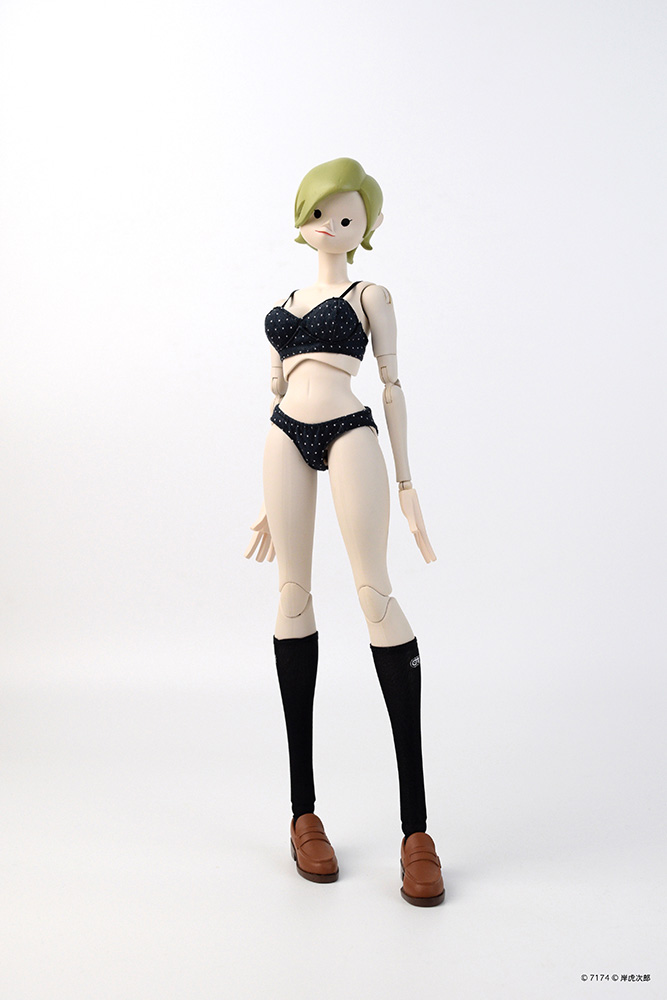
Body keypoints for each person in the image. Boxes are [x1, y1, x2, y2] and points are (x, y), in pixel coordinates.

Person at [245, 157, 445, 906]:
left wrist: (406, 483)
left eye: (347, 216)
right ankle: (303, 813)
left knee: (374, 597)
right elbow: (277, 386)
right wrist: (267, 501)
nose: (330, 224)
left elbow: (392, 386)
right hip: (282, 439)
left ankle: (416, 830)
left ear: (366, 227)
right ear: (302, 217)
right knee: (291, 597)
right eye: (319, 211)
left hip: (351, 432)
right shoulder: (283, 302)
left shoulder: (370, 295)